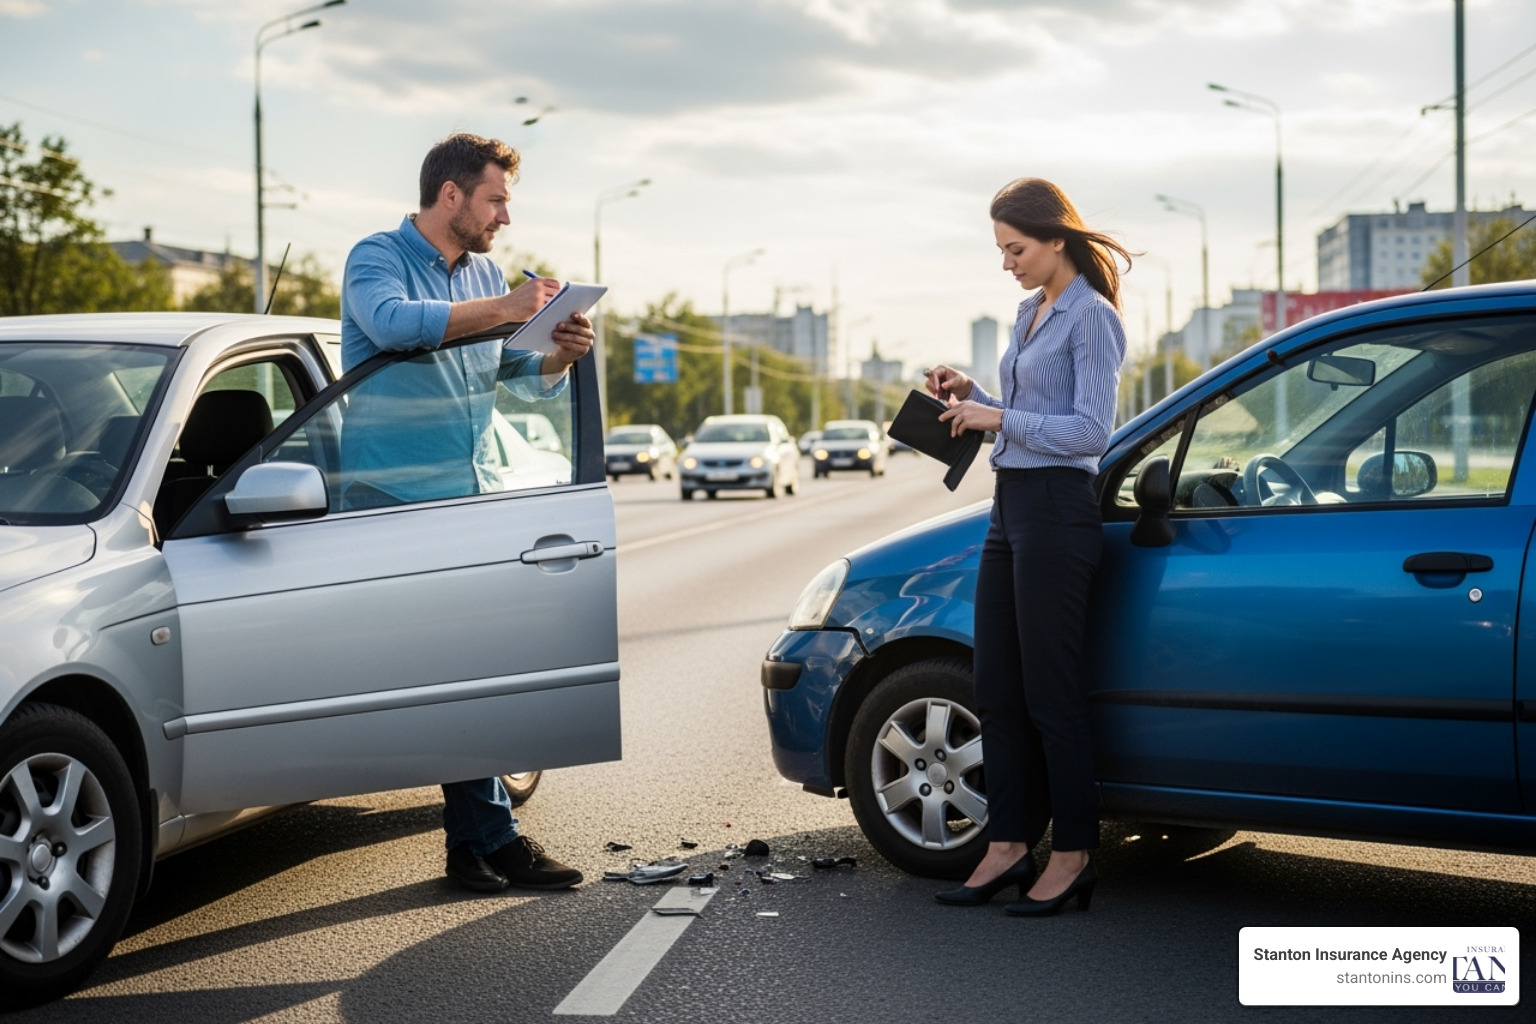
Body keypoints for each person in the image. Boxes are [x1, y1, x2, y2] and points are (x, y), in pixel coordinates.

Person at [340, 132, 593, 893]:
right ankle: (495, 842)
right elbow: (393, 326)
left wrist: (556, 353)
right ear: (450, 196)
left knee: (473, 676)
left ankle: (475, 846)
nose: (504, 217)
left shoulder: (483, 271)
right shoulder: (374, 258)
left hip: (469, 496)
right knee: (452, 673)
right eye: (495, 200)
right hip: (389, 502)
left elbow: (506, 369)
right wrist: (512, 305)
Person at [925, 178, 1129, 917]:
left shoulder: (1093, 317)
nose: (1006, 262)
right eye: (1001, 250)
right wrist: (969, 394)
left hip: (1057, 510)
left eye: (1015, 248)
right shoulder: (1028, 310)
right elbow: (1029, 408)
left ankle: (1072, 854)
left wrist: (996, 415)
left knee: (1050, 695)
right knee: (997, 692)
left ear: (1056, 240)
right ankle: (1007, 845)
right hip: (1011, 510)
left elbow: (1088, 433)